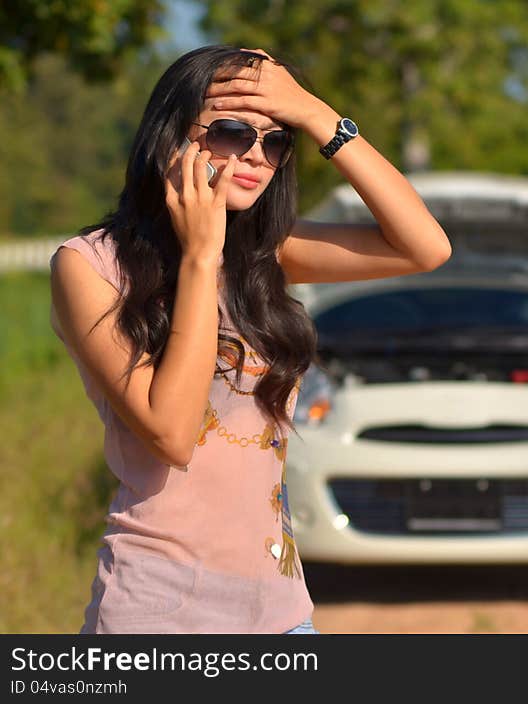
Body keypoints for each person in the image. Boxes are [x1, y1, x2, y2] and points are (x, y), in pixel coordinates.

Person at [49, 45, 451, 634]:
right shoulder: (89, 266)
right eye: (234, 131)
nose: (257, 156)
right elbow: (172, 434)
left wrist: (316, 116)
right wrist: (199, 258)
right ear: (170, 137)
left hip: (283, 615)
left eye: (276, 140)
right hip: (158, 617)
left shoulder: (264, 254)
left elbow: (425, 248)